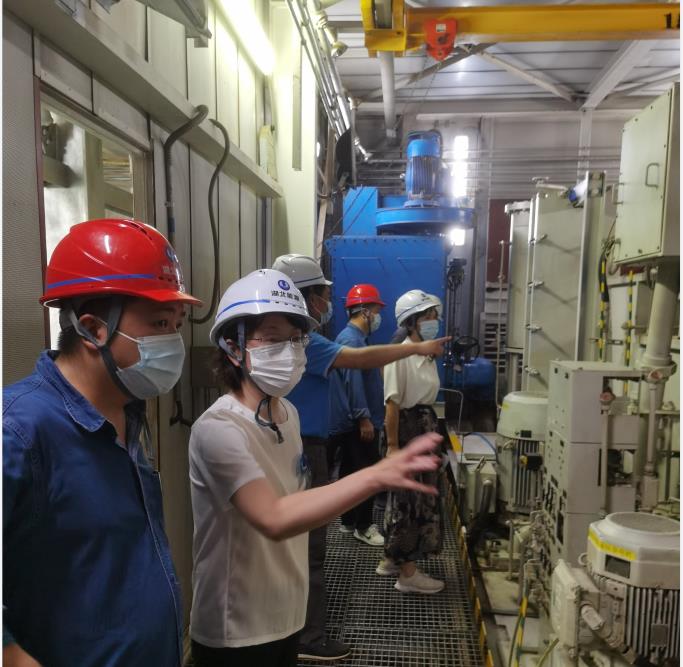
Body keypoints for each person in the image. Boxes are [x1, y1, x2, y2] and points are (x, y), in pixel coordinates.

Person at [188, 269, 442, 667]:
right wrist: (375, 475)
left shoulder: (287, 414)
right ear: (233, 348)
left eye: (296, 339)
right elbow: (274, 517)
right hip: (235, 627)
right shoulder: (218, 429)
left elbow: (302, 502)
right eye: (273, 338)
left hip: (287, 614)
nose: (290, 351)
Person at [3, 219, 202, 667]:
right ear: (94, 329)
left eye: (176, 324)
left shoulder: (129, 411)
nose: (173, 341)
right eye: (159, 323)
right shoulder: (17, 431)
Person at [272, 254, 449, 661]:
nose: (325, 303)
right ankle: (308, 636)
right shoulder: (304, 341)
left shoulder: (296, 341)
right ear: (305, 297)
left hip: (301, 443)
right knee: (311, 544)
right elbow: (357, 364)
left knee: (306, 539)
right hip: (305, 446)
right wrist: (415, 350)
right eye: (321, 294)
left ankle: (296, 628)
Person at [378, 290, 446, 594]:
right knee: (409, 502)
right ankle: (407, 575)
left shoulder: (425, 354)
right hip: (408, 431)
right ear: (412, 321)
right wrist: (393, 446)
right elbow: (392, 404)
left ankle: (391, 559)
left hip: (423, 427)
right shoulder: (400, 355)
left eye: (435, 315)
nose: (434, 321)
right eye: (429, 316)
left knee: (413, 498)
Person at [329, 284, 386, 546]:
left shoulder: (356, 339)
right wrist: (364, 417)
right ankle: (363, 526)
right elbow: (354, 383)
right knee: (366, 473)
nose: (378, 316)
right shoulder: (351, 341)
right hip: (360, 422)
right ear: (365, 312)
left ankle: (348, 520)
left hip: (355, 420)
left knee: (351, 470)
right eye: (376, 311)